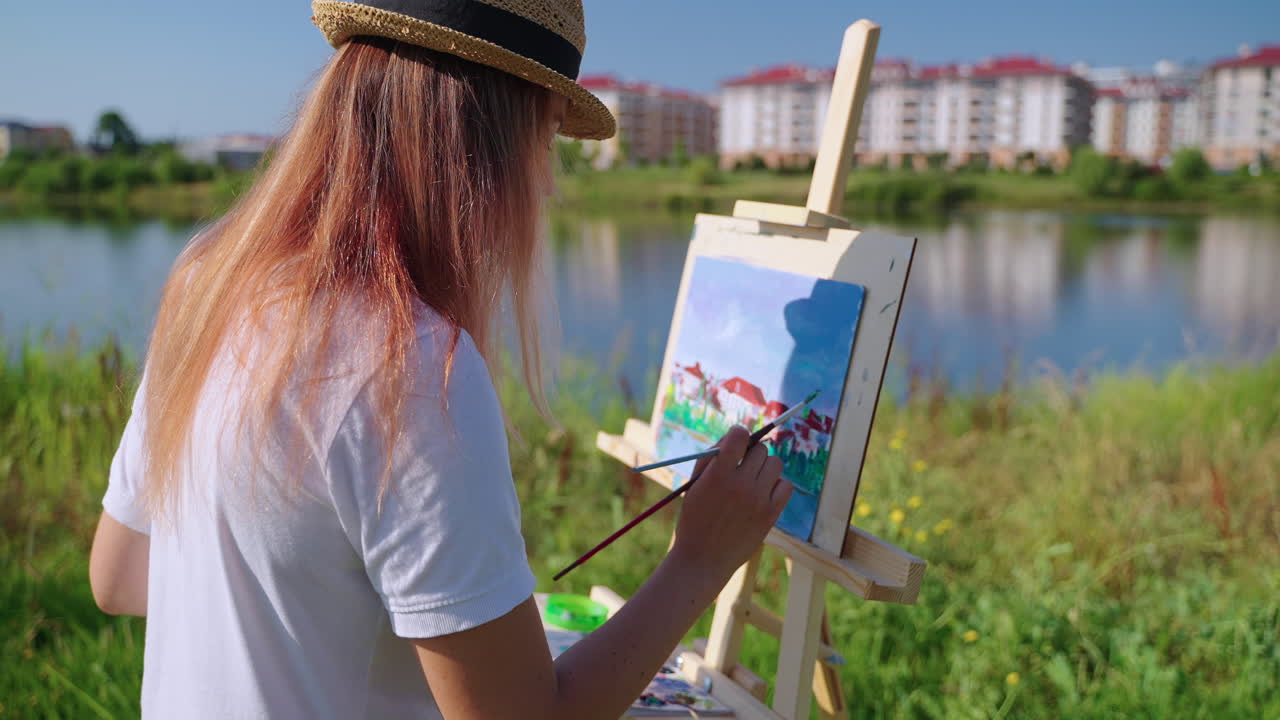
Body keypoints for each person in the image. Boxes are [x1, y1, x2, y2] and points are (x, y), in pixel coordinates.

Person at [88, 1, 791, 717]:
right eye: (547, 140)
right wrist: (699, 560)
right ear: (483, 142)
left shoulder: (207, 284)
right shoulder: (408, 368)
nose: (548, 183)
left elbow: (118, 575)